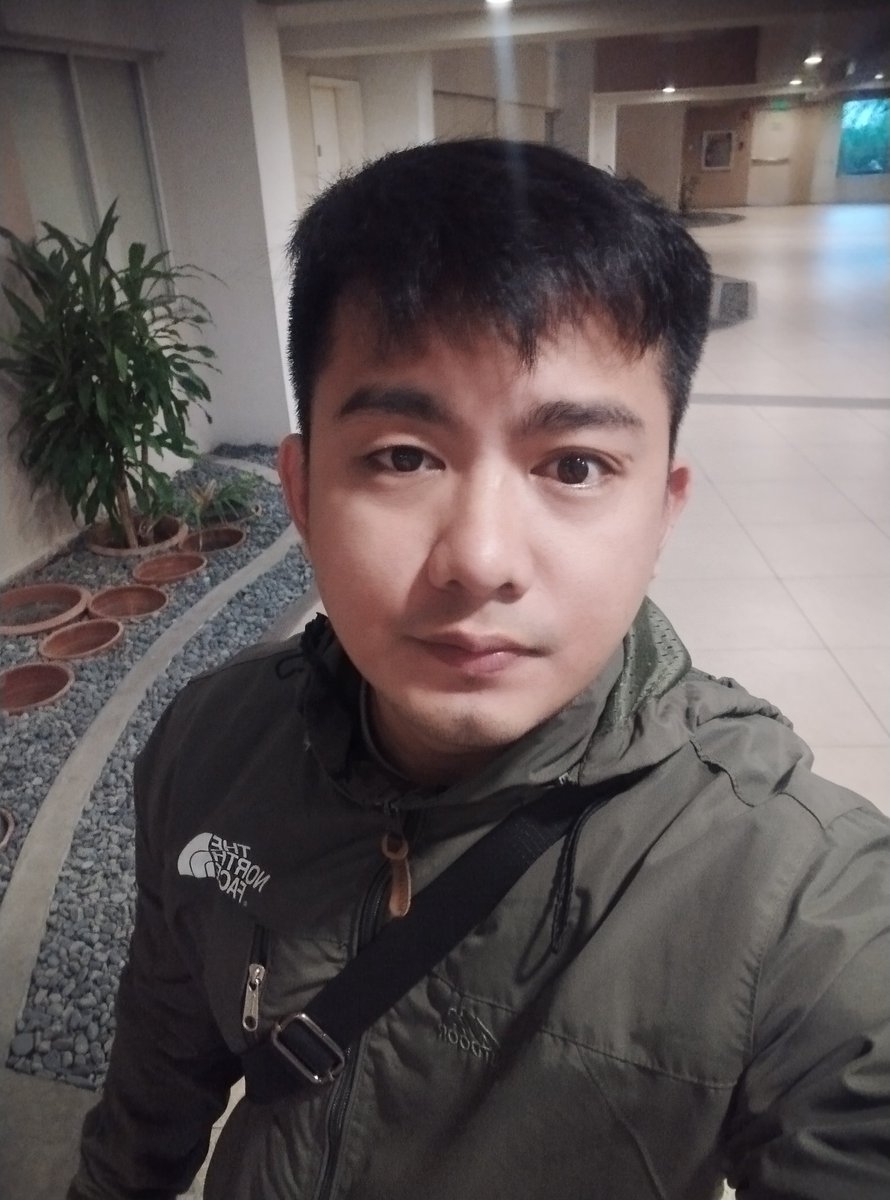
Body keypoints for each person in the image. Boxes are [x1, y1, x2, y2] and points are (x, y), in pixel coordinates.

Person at [69, 139, 890, 1200]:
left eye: (574, 465)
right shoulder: (209, 746)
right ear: (302, 492)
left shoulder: (793, 897)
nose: (481, 559)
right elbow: (152, 1083)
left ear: (662, 512)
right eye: (403, 457)